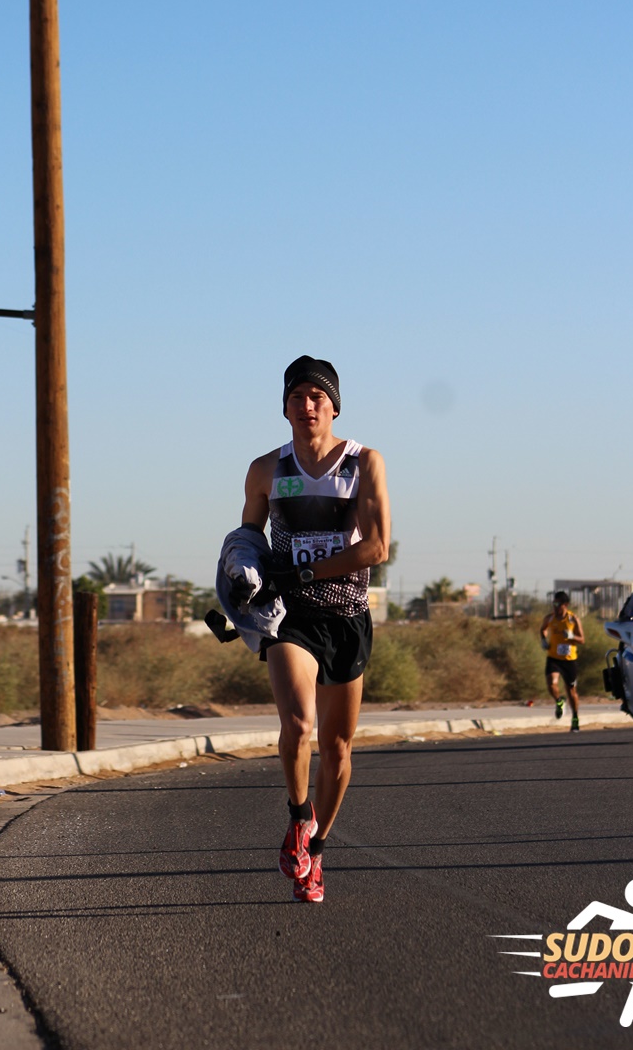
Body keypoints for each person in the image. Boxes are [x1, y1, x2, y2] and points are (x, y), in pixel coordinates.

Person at [240, 355, 390, 902]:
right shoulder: (265, 470)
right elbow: (245, 542)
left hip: (347, 616)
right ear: (284, 407)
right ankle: (299, 817)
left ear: (333, 407)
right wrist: (239, 582)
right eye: (297, 397)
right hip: (290, 615)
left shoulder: (364, 463)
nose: (307, 406)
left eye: (317, 398)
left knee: (340, 747)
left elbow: (375, 548)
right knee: (299, 725)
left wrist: (306, 567)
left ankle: (318, 850)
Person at [540, 590, 584, 732]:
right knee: (551, 684)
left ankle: (575, 717)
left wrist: (571, 636)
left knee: (571, 691)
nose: (556, 607)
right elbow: (543, 630)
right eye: (554, 604)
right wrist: (543, 640)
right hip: (553, 657)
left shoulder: (573, 619)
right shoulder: (550, 618)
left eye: (559, 604)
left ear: (566, 605)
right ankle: (559, 701)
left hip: (569, 660)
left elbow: (582, 639)